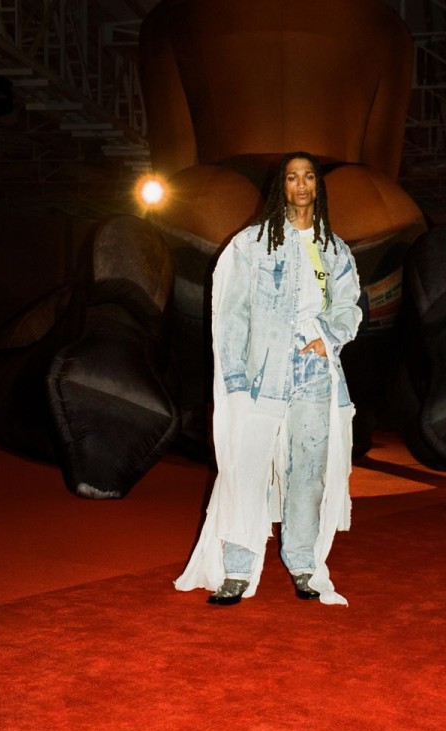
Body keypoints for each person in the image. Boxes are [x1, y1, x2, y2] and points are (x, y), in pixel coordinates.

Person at [174, 152, 362, 605]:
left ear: (318, 185)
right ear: (281, 186)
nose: (301, 185)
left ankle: (304, 565)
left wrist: (328, 338)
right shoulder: (252, 244)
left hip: (315, 373)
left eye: (309, 176)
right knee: (246, 469)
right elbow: (231, 313)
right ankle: (237, 571)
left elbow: (348, 305)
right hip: (262, 375)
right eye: (292, 177)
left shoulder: (334, 249)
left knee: (309, 471)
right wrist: (235, 380)